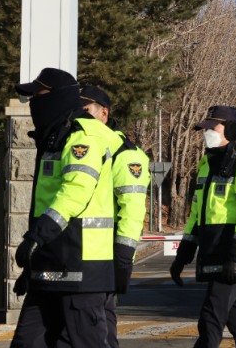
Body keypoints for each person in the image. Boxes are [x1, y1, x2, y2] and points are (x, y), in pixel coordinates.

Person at [10, 68, 119, 348]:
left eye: (38, 95)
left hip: (80, 267)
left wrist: (35, 238)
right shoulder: (53, 137)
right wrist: (32, 268)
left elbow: (75, 192)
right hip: (50, 266)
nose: (34, 102)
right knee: (26, 344)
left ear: (56, 97)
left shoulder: (83, 137)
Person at [168, 105, 236, 348]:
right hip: (214, 253)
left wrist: (235, 258)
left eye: (213, 127)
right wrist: (183, 255)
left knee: (211, 318)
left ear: (231, 131)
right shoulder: (206, 167)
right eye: (205, 128)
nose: (207, 132)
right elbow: (197, 216)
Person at [80, 85, 151, 348]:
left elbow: (132, 210)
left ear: (104, 114)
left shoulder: (124, 153)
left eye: (85, 110)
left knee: (98, 325)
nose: (79, 115)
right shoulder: (83, 146)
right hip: (80, 251)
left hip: (106, 254)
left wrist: (122, 259)